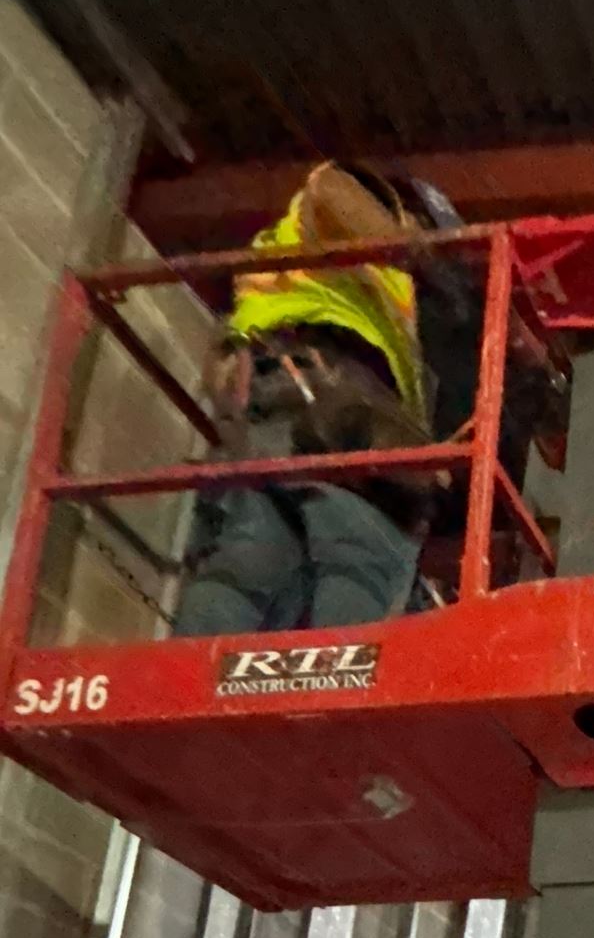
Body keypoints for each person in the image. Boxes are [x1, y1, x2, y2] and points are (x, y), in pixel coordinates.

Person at [172, 162, 435, 639]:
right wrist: (414, 241)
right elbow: (331, 191)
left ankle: (184, 682)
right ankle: (341, 690)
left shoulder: (311, 263)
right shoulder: (362, 198)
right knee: (367, 540)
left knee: (258, 547)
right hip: (319, 378)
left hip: (269, 382)